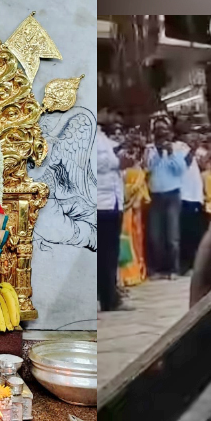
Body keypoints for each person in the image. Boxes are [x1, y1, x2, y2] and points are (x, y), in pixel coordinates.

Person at [95, 118, 129, 311]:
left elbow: (118, 153)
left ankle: (110, 297)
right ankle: (105, 298)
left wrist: (126, 151)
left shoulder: (104, 138)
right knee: (102, 254)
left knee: (110, 254)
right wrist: (118, 162)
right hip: (98, 203)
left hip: (114, 201)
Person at [145, 128, 188, 279]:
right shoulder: (150, 151)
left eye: (164, 137)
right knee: (155, 235)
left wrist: (170, 154)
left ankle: (173, 269)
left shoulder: (177, 150)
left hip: (172, 195)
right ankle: (158, 269)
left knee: (172, 236)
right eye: (159, 138)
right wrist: (157, 152)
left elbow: (180, 170)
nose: (162, 141)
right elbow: (148, 167)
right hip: (155, 196)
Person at [119, 147, 150, 287]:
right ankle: (129, 274)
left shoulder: (137, 173)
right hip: (126, 209)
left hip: (131, 210)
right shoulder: (127, 173)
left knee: (133, 240)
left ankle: (133, 272)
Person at [176, 131, 206, 274]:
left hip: (196, 198)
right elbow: (183, 164)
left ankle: (195, 264)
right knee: (186, 233)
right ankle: (184, 265)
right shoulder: (177, 147)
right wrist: (193, 149)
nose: (194, 137)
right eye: (190, 134)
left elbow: (203, 163)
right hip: (185, 197)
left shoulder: (192, 150)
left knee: (196, 233)